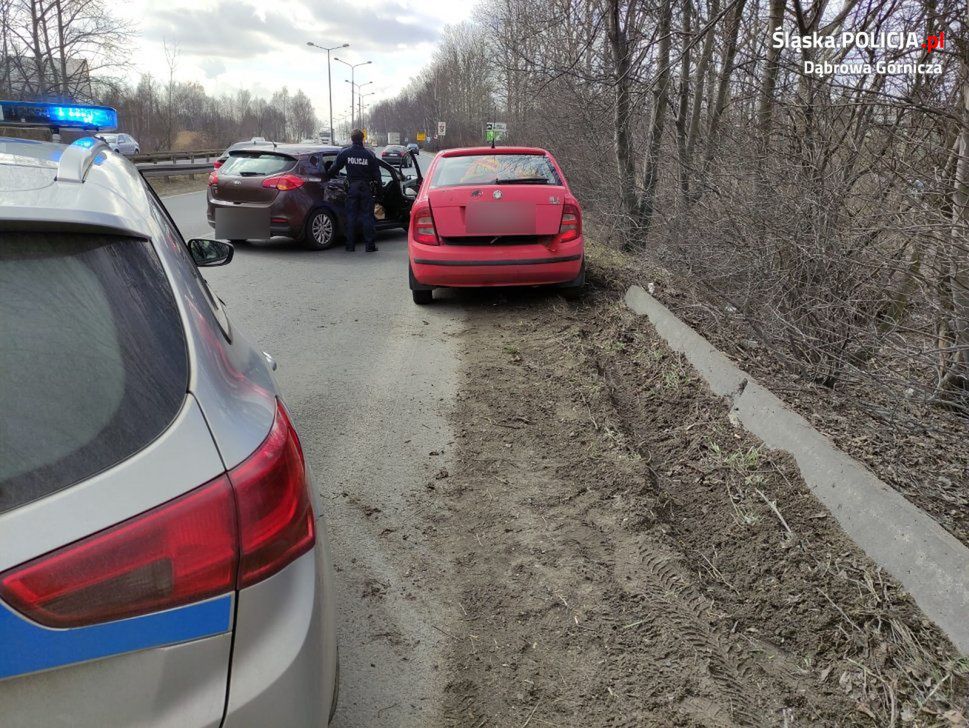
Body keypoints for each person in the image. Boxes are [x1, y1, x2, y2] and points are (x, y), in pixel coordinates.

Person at [324, 128, 381, 252]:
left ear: (352, 139)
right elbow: (377, 174)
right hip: (365, 188)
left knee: (351, 217)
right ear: (362, 139)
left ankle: (350, 246)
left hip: (352, 188)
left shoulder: (345, 153)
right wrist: (379, 189)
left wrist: (327, 175)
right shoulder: (369, 154)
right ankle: (370, 246)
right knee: (367, 217)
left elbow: (334, 168)